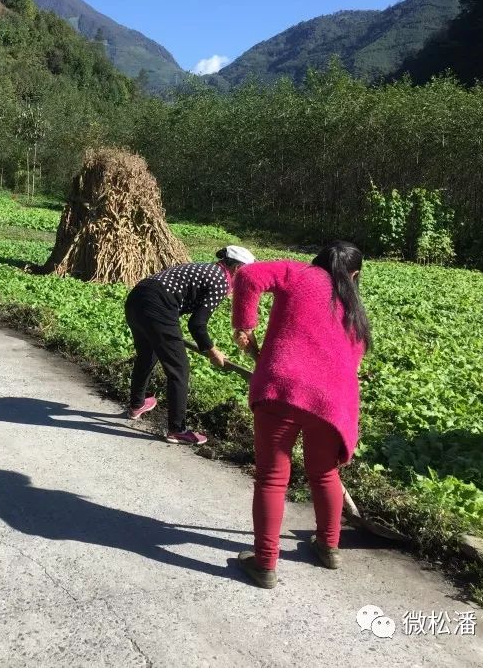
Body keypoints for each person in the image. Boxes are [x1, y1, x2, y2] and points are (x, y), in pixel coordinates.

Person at [231, 241, 371, 589]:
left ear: (320, 260)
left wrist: (245, 327)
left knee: (272, 478)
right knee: (324, 474)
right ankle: (329, 547)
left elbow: (247, 275)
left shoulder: (298, 272)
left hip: (282, 390)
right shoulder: (354, 312)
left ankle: (265, 564)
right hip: (331, 403)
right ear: (353, 275)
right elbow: (351, 364)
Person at [125, 246, 256, 445]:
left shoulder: (208, 269)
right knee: (179, 368)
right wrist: (212, 351)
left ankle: (137, 404)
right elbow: (197, 324)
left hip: (138, 297)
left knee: (148, 353)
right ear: (238, 269)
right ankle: (177, 430)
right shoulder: (221, 281)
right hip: (159, 305)